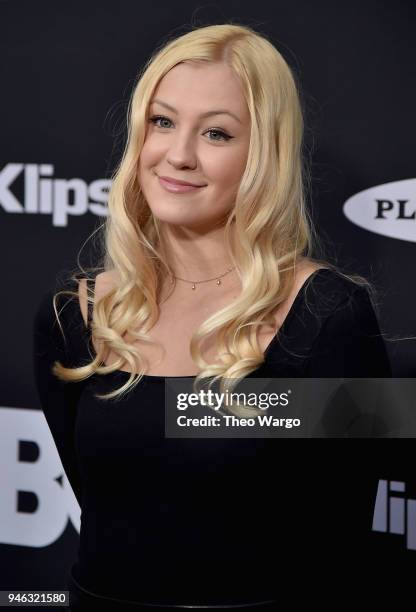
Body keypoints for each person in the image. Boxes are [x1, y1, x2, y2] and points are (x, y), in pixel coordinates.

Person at [33, 23, 391, 611]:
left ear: (263, 155)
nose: (178, 154)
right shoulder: (76, 314)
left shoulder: (330, 315)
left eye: (217, 133)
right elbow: (105, 504)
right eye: (162, 121)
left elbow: (345, 540)